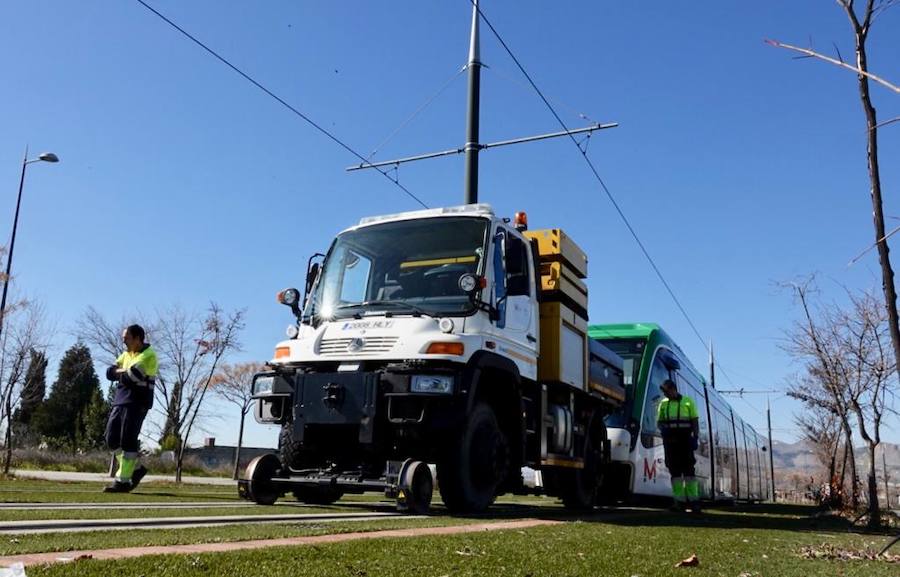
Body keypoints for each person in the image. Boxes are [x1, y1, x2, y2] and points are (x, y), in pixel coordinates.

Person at [104, 324, 158, 493]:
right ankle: (135, 468)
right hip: (120, 401)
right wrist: (124, 372)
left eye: (126, 338)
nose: (124, 341)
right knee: (111, 438)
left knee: (128, 440)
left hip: (137, 402)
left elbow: (133, 376)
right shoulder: (127, 354)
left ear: (137, 339)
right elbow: (108, 373)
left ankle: (123, 481)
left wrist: (120, 372)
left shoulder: (149, 355)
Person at [656, 378, 701, 512]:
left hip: (685, 440)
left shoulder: (688, 402)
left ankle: (693, 502)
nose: (665, 395)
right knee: (674, 472)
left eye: (667, 392)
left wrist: (695, 437)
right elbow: (660, 421)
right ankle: (679, 502)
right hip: (670, 441)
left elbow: (695, 421)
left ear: (673, 389)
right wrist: (664, 430)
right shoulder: (663, 404)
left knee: (688, 471)